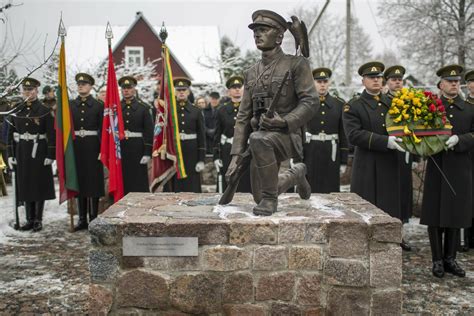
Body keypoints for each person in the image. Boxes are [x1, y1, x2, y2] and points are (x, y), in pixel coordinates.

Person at [226, 10, 317, 216]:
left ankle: (270, 200)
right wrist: (235, 156)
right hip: (260, 139)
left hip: (287, 134)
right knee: (259, 194)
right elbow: (243, 116)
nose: (257, 34)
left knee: (258, 139)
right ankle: (296, 174)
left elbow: (311, 101)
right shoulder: (250, 72)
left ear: (279, 37)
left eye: (263, 30)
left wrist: (284, 122)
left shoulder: (296, 64)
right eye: (255, 31)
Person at [420, 64, 474, 278]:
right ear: (441, 84)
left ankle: (451, 258)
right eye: (450, 81)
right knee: (434, 213)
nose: (454, 84)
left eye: (457, 81)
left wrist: (460, 139)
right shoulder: (429, 106)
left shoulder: (470, 108)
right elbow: (418, 132)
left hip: (460, 166)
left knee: (455, 212)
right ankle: (437, 260)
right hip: (436, 165)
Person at [343, 62, 404, 227]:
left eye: (378, 77)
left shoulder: (393, 103)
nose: (376, 80)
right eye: (371, 78)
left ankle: (390, 243)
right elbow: (353, 135)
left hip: (389, 163)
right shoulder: (354, 105)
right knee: (366, 209)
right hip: (367, 164)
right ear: (363, 81)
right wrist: (385, 141)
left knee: (389, 207)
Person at [7, 78, 56, 232]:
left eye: (31, 89)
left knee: (38, 184)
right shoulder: (16, 110)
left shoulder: (44, 110)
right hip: (22, 150)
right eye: (25, 89)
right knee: (25, 183)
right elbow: (10, 134)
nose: (28, 92)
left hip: (39, 150)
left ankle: (37, 220)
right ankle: (29, 219)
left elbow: (51, 134)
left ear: (36, 91)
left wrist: (50, 154)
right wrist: (10, 154)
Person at [384, 65, 418, 251]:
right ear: (387, 82)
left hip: (405, 151)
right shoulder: (383, 101)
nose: (397, 82)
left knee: (404, 191)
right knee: (390, 192)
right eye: (393, 79)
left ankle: (401, 233)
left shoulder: (410, 100)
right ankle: (389, 231)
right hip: (389, 151)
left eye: (399, 80)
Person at [304, 67, 348, 193]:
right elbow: (298, 131)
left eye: (325, 82)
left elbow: (343, 133)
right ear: (313, 83)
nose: (322, 85)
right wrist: (296, 157)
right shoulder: (306, 104)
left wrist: (344, 160)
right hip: (310, 151)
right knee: (310, 188)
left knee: (331, 189)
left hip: (331, 152)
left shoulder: (339, 104)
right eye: (319, 82)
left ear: (329, 83)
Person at [70, 73, 104, 231]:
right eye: (79, 84)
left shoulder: (98, 106)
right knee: (80, 182)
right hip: (76, 148)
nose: (81, 86)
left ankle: (93, 218)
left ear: (91, 87)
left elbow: (104, 130)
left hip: (93, 147)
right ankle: (82, 219)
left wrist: (102, 150)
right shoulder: (70, 105)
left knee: (93, 183)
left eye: (84, 84)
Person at [213, 75, 251, 193]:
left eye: (239, 87)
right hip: (228, 151)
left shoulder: (251, 108)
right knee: (229, 181)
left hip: (246, 150)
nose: (237, 90)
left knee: (246, 181)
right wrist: (216, 157)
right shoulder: (222, 110)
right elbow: (217, 135)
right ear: (229, 91)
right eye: (233, 88)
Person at [118, 76, 154, 194]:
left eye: (129, 88)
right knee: (123, 180)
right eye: (124, 88)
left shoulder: (143, 107)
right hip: (121, 148)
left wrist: (147, 152)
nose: (126, 90)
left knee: (139, 181)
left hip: (138, 149)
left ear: (134, 89)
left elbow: (149, 131)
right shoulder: (116, 108)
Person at [170, 77, 206, 192]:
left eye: (184, 90)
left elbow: (201, 136)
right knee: (175, 184)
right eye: (178, 90)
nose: (181, 92)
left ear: (188, 92)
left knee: (192, 184)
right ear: (174, 92)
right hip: (174, 153)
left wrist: (201, 159)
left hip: (192, 153)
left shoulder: (196, 111)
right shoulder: (170, 110)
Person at [463, 69, 474, 251]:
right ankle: (468, 239)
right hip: (468, 154)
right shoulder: (464, 105)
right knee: (468, 197)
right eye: (471, 82)